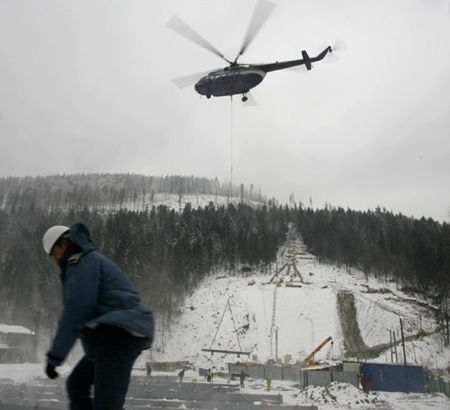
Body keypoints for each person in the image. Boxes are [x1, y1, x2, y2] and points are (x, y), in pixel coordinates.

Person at [42, 223, 154, 410]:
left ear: (62, 244)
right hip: (111, 336)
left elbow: (76, 311)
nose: (55, 260)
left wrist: (55, 357)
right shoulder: (84, 261)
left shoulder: (81, 263)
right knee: (77, 384)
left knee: (106, 404)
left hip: (119, 335)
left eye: (54, 255)